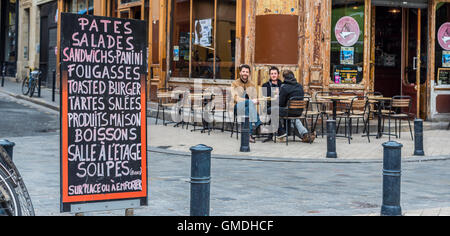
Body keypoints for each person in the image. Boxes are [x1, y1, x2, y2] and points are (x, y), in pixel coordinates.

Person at [278, 70, 315, 142]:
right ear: (293, 76)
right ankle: (305, 134)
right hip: (299, 112)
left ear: (284, 78)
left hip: (289, 111)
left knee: (271, 110)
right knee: (294, 118)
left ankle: (281, 132)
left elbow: (281, 103)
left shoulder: (284, 87)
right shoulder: (299, 86)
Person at [231, 64, 262, 143]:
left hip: (248, 108)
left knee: (248, 109)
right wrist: (250, 101)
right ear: (240, 73)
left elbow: (255, 97)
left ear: (249, 74)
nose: (245, 73)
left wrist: (256, 100)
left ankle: (249, 135)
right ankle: (258, 123)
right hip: (237, 107)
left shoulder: (251, 84)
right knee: (249, 103)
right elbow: (235, 98)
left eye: (247, 72)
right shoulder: (234, 83)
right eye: (243, 71)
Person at [261, 66, 283, 142]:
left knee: (275, 110)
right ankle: (280, 132)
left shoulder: (282, 85)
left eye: (275, 73)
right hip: (269, 106)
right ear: (269, 75)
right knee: (273, 110)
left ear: (278, 74)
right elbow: (265, 97)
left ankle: (272, 134)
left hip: (281, 106)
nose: (273, 75)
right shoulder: (265, 85)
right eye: (272, 74)